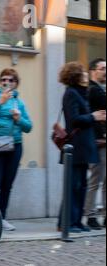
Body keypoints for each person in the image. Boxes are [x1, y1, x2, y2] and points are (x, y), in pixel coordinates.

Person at [0, 69, 33, 233]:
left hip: (14, 146)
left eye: (11, 80)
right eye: (4, 80)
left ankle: (2, 218)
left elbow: (29, 127)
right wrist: (0, 102)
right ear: (0, 81)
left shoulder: (19, 102)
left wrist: (19, 119)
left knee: (6, 185)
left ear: (16, 83)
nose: (7, 83)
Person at [58, 62, 106, 233]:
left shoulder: (81, 92)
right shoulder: (70, 93)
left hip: (84, 145)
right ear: (75, 75)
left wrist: (95, 117)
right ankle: (67, 223)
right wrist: (93, 116)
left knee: (82, 186)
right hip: (75, 146)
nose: (86, 75)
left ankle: (77, 222)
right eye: (82, 73)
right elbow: (74, 119)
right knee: (74, 186)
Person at [84, 58, 106, 229]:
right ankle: (90, 215)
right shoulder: (93, 90)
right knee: (96, 179)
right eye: (103, 68)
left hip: (102, 140)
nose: (105, 71)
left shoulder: (99, 89)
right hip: (98, 141)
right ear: (93, 71)